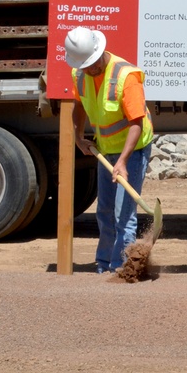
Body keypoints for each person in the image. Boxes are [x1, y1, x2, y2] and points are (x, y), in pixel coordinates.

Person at [65, 26, 154, 274]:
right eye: (85, 65)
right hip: (105, 150)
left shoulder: (126, 76)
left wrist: (123, 161)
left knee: (123, 215)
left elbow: (136, 122)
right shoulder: (80, 73)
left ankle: (123, 268)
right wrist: (78, 137)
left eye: (92, 63)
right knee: (104, 211)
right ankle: (104, 265)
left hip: (132, 151)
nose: (90, 69)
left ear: (101, 50)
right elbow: (79, 105)